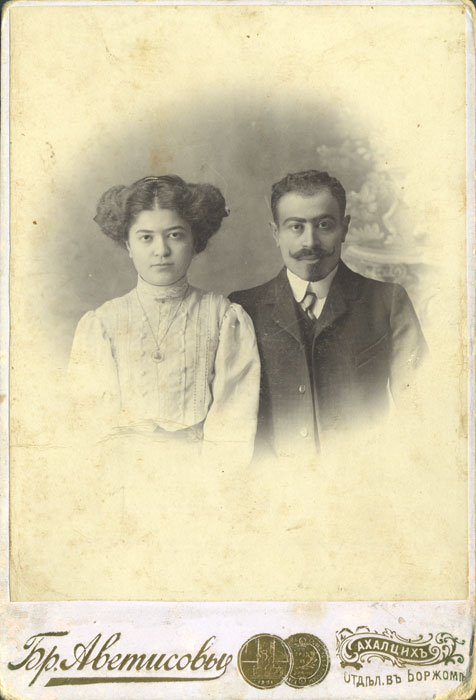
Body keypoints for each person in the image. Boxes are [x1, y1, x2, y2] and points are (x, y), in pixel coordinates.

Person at [230, 170, 427, 457]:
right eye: (296, 227)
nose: (310, 242)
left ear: (344, 228)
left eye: (324, 225)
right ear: (276, 233)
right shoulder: (244, 308)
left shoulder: (387, 301)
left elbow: (421, 410)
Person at [68, 175, 260, 460]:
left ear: (195, 241)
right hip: (123, 472)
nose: (161, 250)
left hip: (199, 472)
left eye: (175, 235)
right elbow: (90, 423)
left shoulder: (223, 317)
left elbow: (234, 418)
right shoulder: (103, 324)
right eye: (146, 237)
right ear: (128, 245)